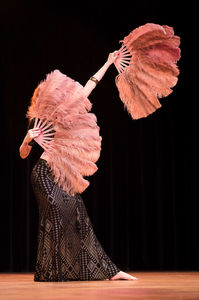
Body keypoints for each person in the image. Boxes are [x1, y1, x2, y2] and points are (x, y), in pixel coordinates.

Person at [19, 52, 137, 281]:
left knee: (78, 214)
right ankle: (56, 272)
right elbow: (23, 155)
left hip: (60, 176)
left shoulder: (67, 113)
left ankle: (111, 272)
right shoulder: (38, 122)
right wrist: (26, 139)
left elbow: (90, 85)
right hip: (43, 174)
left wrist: (108, 62)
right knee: (54, 210)